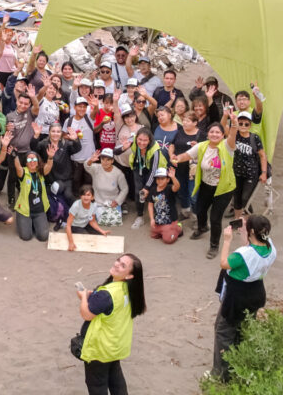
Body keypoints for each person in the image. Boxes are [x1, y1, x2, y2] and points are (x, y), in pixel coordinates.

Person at [213, 215, 276, 381]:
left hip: (237, 297)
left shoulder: (242, 255)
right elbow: (254, 246)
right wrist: (246, 233)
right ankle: (239, 364)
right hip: (256, 293)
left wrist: (227, 240)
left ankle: (221, 375)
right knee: (242, 329)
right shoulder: (270, 248)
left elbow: (224, 263)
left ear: (252, 232)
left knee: (223, 332)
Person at [77, 253, 147, 395]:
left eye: (123, 265)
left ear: (129, 276)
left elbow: (86, 314)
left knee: (97, 384)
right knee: (115, 379)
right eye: (118, 261)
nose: (117, 264)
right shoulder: (129, 290)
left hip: (100, 349)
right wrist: (94, 298)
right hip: (116, 345)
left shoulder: (108, 293)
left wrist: (84, 297)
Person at [172, 120, 237, 259]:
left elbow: (232, 137)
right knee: (200, 210)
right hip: (206, 185)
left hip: (224, 189)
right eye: (212, 132)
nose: (214, 134)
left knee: (215, 218)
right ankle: (202, 227)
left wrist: (235, 125)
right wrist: (177, 158)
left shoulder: (227, 146)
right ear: (207, 134)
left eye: (218, 132)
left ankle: (214, 246)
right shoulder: (202, 146)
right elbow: (187, 155)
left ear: (222, 135)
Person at [116, 128, 165, 229]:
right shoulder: (132, 140)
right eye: (140, 139)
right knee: (139, 192)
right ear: (136, 138)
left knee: (154, 191)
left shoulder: (155, 150)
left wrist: (147, 187)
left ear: (150, 140)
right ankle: (140, 216)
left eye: (145, 140)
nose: (142, 143)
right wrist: (123, 148)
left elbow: (153, 171)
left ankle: (158, 214)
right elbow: (115, 152)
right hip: (138, 166)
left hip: (152, 170)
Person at [229, 111, 268, 220]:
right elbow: (224, 130)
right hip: (236, 173)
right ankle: (238, 220)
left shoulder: (255, 138)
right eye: (240, 123)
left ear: (250, 125)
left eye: (246, 124)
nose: (243, 126)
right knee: (236, 198)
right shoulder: (234, 135)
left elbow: (262, 156)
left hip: (251, 174)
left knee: (245, 198)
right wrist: (231, 120)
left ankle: (248, 221)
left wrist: (264, 173)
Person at [33, 124, 82, 203]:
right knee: (49, 198)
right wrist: (36, 136)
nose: (55, 134)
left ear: (61, 133)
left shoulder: (66, 144)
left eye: (58, 132)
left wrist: (76, 139)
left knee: (68, 196)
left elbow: (77, 148)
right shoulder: (43, 144)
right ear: (49, 132)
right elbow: (34, 148)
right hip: (50, 180)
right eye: (53, 131)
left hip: (66, 179)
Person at [13, 149, 50, 241]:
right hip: (25, 211)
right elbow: (18, 167)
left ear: (38, 161)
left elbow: (49, 166)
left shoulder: (41, 172)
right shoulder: (23, 172)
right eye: (29, 160)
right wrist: (15, 156)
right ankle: (27, 222)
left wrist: (51, 157)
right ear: (26, 162)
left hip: (39, 210)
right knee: (26, 236)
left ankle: (34, 223)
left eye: (34, 159)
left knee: (43, 237)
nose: (32, 162)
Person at [85, 148, 129, 224]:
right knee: (94, 220)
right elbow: (87, 166)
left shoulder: (118, 173)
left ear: (112, 161)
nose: (105, 162)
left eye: (108, 160)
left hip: (112, 203)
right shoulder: (96, 168)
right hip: (98, 202)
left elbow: (125, 189)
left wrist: (117, 201)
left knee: (113, 221)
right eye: (103, 159)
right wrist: (91, 160)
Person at [169, 111, 200, 218]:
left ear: (195, 123)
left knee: (193, 195)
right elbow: (172, 145)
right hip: (179, 167)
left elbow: (207, 151)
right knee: (182, 191)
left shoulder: (201, 135)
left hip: (193, 170)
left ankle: (196, 217)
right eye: (184, 120)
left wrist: (198, 146)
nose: (185, 123)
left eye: (188, 121)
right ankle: (185, 211)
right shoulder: (179, 132)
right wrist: (171, 155)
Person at [142, 167, 183, 244]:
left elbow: (177, 186)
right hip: (159, 220)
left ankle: (178, 228)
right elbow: (150, 205)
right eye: (158, 178)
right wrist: (152, 219)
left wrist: (173, 177)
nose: (159, 180)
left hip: (170, 220)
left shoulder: (169, 188)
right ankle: (165, 230)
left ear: (167, 180)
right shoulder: (153, 190)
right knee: (153, 235)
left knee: (167, 240)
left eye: (162, 178)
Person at [64, 96, 97, 189]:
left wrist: (96, 106)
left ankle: (90, 199)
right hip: (76, 158)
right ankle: (75, 199)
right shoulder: (69, 121)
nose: (82, 109)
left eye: (84, 107)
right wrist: (71, 137)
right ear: (74, 107)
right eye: (79, 106)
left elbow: (94, 113)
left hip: (89, 157)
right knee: (76, 180)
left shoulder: (89, 118)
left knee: (89, 180)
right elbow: (63, 134)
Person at [65, 186, 109, 251]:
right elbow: (68, 225)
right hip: (74, 226)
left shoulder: (93, 206)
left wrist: (101, 230)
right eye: (83, 195)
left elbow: (92, 221)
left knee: (99, 236)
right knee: (87, 237)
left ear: (92, 197)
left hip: (85, 224)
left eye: (88, 195)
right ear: (80, 196)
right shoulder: (76, 206)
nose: (86, 197)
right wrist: (71, 242)